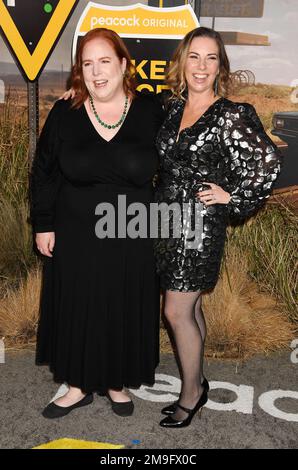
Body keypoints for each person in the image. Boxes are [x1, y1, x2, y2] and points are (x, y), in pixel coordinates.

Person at [30, 28, 164, 419]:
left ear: (124, 64)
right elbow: (44, 173)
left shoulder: (153, 111)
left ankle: (115, 382)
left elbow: (182, 158)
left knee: (123, 303)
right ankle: (76, 386)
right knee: (78, 305)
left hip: (131, 230)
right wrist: (43, 224)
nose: (96, 71)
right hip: (75, 232)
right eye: (87, 64)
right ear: (79, 72)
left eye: (105, 61)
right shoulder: (64, 112)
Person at [154, 27, 282, 428]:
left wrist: (232, 197)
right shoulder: (171, 108)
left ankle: (191, 393)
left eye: (211, 58)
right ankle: (199, 380)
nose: (201, 66)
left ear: (220, 67)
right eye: (194, 56)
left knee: (174, 311)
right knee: (190, 306)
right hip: (165, 220)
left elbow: (267, 164)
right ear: (182, 61)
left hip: (198, 224)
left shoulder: (231, 114)